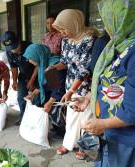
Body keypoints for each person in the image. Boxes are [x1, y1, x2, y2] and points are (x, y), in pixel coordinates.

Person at [72, 0, 135, 166]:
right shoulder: (117, 47)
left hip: (126, 139)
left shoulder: (133, 53)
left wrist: (104, 124)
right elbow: (111, 83)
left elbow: (133, 109)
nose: (106, 28)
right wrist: (88, 97)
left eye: (108, 22)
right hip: (109, 131)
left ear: (122, 21)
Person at [46, 9, 99, 159]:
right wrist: (53, 67)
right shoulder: (66, 40)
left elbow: (84, 69)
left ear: (73, 24)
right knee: (72, 117)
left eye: (64, 28)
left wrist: (70, 90)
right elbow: (64, 61)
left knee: (86, 119)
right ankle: (69, 143)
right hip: (71, 84)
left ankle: (86, 148)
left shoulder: (89, 39)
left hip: (85, 87)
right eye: (59, 29)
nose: (62, 32)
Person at [23, 43, 67, 139]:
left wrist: (50, 102)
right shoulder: (43, 64)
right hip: (52, 91)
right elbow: (43, 83)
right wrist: (34, 93)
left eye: (31, 58)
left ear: (39, 55)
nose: (30, 61)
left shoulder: (53, 65)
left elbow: (58, 88)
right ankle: (56, 128)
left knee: (57, 111)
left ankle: (61, 133)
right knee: (52, 111)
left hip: (59, 93)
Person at [1, 31, 39, 126]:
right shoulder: (9, 51)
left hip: (36, 75)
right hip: (22, 75)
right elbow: (13, 66)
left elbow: (38, 65)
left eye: (14, 46)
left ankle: (36, 121)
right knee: (21, 97)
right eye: (11, 48)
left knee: (36, 99)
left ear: (18, 39)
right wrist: (14, 81)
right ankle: (23, 118)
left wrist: (32, 80)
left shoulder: (30, 47)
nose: (14, 50)